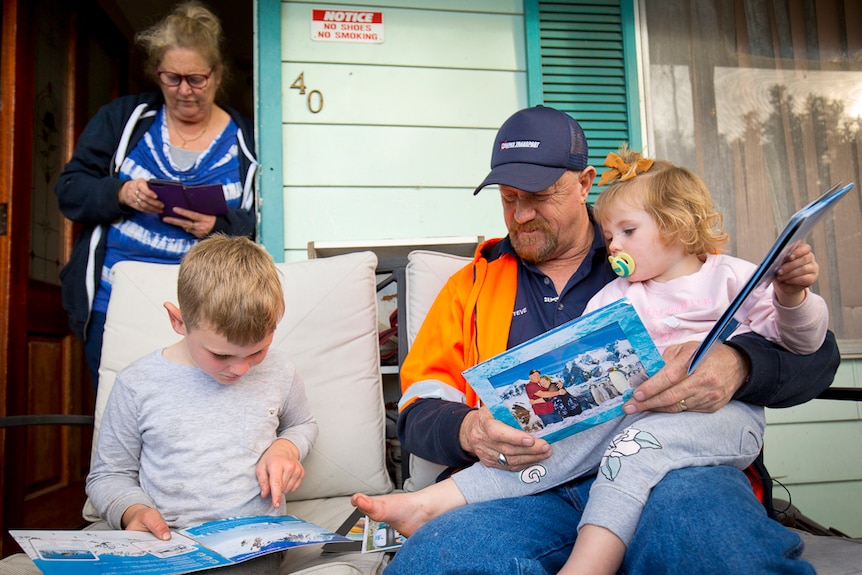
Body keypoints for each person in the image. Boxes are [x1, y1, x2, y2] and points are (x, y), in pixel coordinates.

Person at [356, 105, 840, 575]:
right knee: (441, 561)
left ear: (584, 182)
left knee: (715, 551)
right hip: (530, 486)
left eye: (539, 195)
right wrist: (468, 429)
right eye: (508, 198)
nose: (521, 215)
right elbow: (418, 406)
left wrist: (737, 363)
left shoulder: (660, 250)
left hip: (676, 473)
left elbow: (812, 356)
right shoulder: (471, 286)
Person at [85, 235, 317, 573]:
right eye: (221, 354)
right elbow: (108, 475)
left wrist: (286, 447)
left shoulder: (281, 370)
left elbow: (303, 424)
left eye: (257, 351)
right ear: (179, 322)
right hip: (166, 544)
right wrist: (132, 511)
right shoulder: (137, 384)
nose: (240, 368)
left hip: (253, 544)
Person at [56, 1, 257, 389]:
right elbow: (70, 190)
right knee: (119, 414)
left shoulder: (246, 138)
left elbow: (263, 223)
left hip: (206, 314)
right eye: (172, 78)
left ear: (217, 74)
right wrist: (121, 192)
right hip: (114, 305)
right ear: (157, 74)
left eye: (196, 79)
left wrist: (219, 226)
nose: (184, 91)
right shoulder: (123, 120)